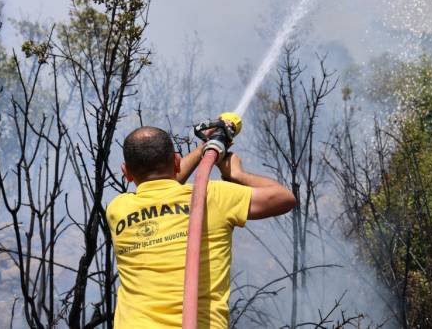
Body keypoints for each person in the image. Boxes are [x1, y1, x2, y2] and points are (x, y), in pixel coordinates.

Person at [106, 126, 295, 328]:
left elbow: (163, 187)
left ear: (126, 173)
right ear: (176, 161)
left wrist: (202, 149)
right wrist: (237, 174)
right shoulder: (213, 196)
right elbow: (283, 198)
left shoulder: (118, 210)